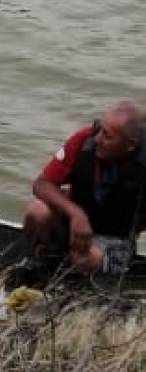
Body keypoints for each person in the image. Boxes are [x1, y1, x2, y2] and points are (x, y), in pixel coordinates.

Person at [22, 101, 146, 274]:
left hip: (113, 236)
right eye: (100, 129)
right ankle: (43, 259)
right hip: (74, 222)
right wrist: (75, 214)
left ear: (130, 145)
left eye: (107, 136)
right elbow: (42, 184)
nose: (98, 139)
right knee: (37, 211)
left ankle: (83, 273)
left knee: (85, 258)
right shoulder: (85, 139)